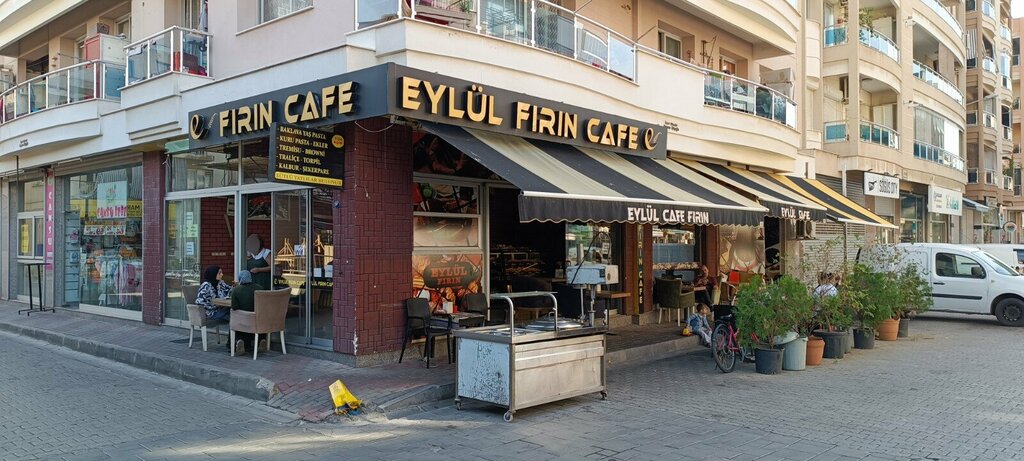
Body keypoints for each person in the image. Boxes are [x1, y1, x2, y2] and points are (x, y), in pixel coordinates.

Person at [230, 270, 265, 354]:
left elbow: (234, 307)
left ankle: (239, 340)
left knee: (234, 319)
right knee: (256, 321)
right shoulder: (260, 288)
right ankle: (261, 339)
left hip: (244, 320)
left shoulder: (236, 290)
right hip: (258, 319)